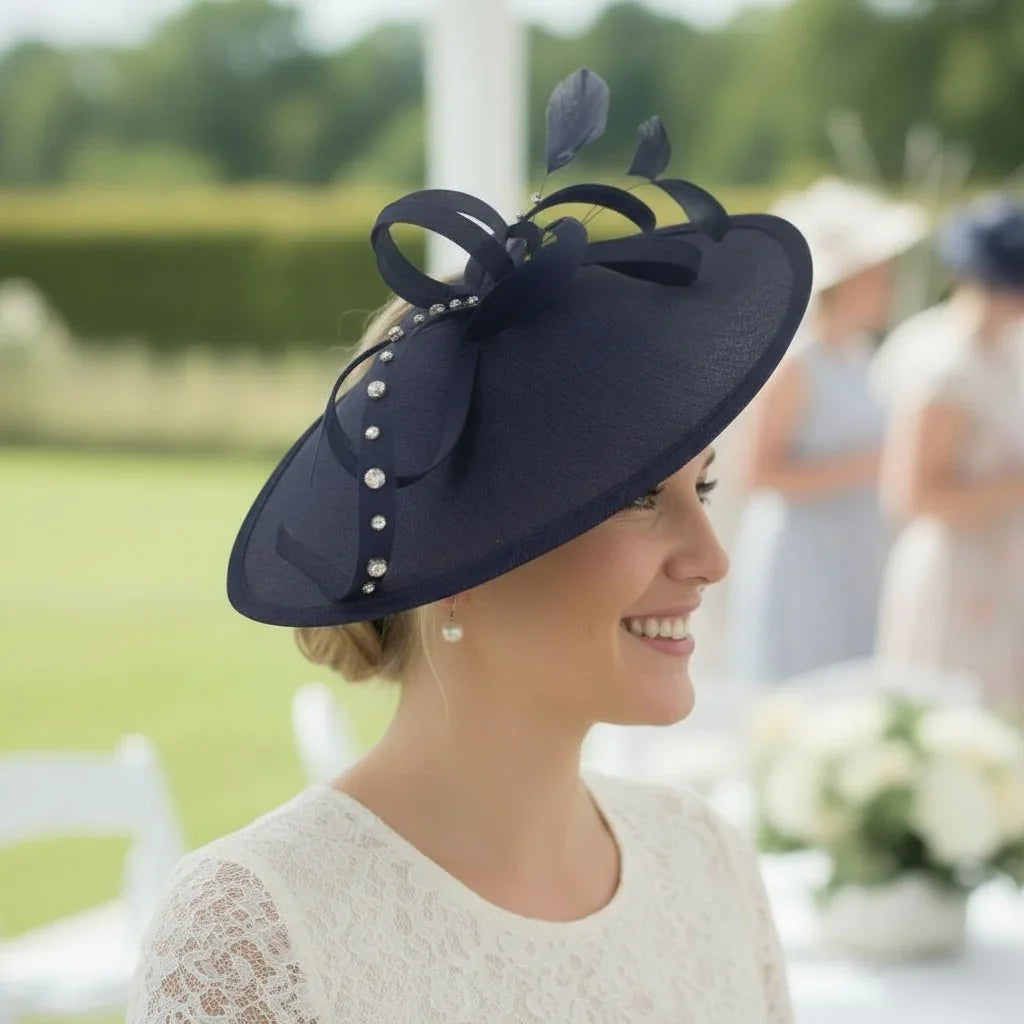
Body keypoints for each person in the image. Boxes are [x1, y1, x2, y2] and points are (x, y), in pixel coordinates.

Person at [126, 70, 811, 1022]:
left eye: (703, 487)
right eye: (639, 501)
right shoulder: (259, 932)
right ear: (460, 559)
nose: (712, 557)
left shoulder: (705, 859)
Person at [726, 177, 925, 686]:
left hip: (855, 543)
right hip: (807, 552)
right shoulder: (798, 362)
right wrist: (870, 465)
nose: (891, 282)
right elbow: (760, 474)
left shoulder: (859, 354)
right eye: (879, 272)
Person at [874, 195, 1024, 723]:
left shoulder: (1008, 348)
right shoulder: (944, 362)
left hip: (1005, 560)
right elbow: (911, 495)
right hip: (958, 570)